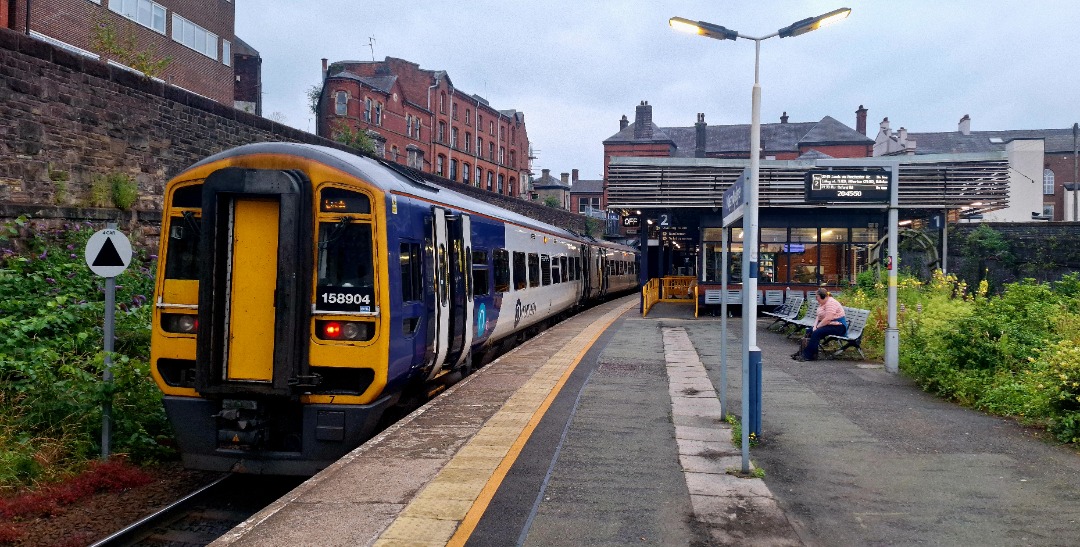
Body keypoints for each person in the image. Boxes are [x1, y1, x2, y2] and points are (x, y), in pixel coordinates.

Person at [795, 287, 847, 361]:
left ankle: (808, 356)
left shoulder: (831, 303)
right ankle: (803, 352)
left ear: (823, 296)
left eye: (817, 297)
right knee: (809, 331)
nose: (816, 298)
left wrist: (818, 327)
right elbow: (818, 316)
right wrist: (815, 326)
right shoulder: (823, 303)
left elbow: (828, 318)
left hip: (839, 326)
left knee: (817, 332)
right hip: (830, 324)